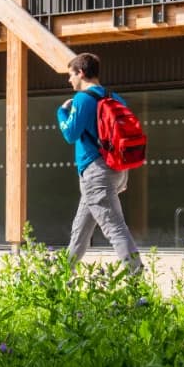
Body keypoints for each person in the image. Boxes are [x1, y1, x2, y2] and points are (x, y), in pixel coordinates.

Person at [57, 51, 142, 272]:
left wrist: (61, 112)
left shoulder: (83, 99)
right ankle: (63, 277)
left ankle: (137, 279)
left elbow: (70, 134)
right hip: (115, 169)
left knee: (115, 227)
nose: (69, 80)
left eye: (71, 74)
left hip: (96, 172)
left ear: (81, 72)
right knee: (81, 228)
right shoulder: (114, 97)